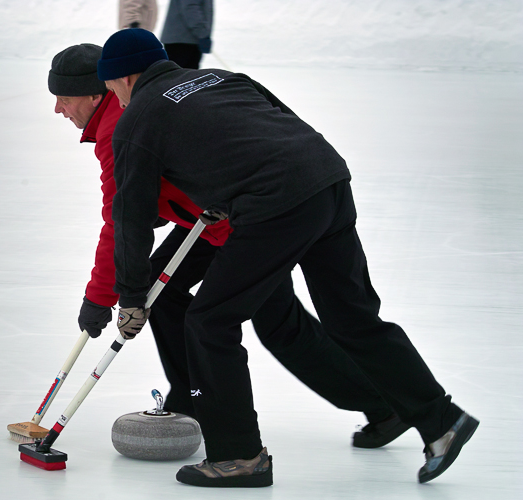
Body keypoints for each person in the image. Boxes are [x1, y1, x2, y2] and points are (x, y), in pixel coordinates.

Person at [96, 28, 479, 488]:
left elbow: (132, 217)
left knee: (210, 321)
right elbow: (281, 126)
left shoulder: (139, 119)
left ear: (125, 77)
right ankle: (442, 421)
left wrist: (133, 295)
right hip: (327, 179)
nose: (114, 97)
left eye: (112, 86)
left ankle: (238, 457)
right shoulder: (222, 78)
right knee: (353, 318)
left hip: (277, 203)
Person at [48, 42, 410, 455]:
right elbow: (147, 203)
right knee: (163, 296)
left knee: (278, 323)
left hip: (243, 222)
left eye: (63, 98)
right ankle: (194, 397)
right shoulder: (121, 114)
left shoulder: (119, 128)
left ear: (96, 93)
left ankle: (381, 405)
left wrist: (100, 297)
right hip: (210, 221)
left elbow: (121, 223)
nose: (59, 109)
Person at [160, 0, 212, 69]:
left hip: (188, 39)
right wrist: (202, 33)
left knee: (186, 75)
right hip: (182, 40)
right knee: (179, 76)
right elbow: (190, 9)